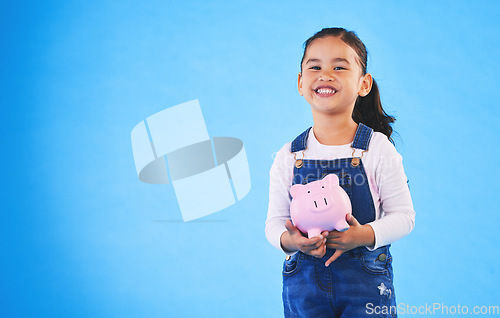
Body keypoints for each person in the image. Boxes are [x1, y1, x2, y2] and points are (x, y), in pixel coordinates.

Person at [265, 27, 415, 317]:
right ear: (300, 82)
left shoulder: (376, 149)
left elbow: (404, 217)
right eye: (315, 66)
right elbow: (274, 223)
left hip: (366, 285)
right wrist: (292, 242)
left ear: (363, 84)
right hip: (304, 286)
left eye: (339, 67)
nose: (325, 74)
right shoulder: (289, 155)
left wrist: (362, 235)